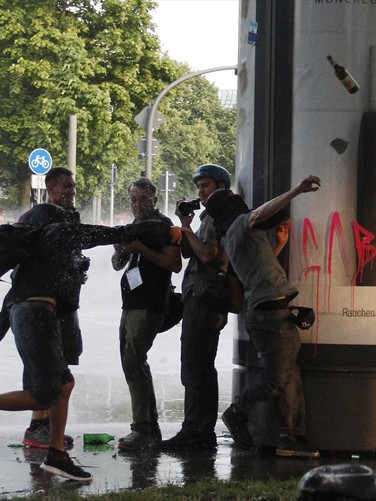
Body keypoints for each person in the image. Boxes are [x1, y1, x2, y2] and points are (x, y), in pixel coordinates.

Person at [0, 203, 175, 481]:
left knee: (64, 383)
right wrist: (159, 230)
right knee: (46, 394)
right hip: (37, 317)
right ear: (54, 222)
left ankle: (56, 455)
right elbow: (107, 234)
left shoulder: (32, 259)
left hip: (28, 317)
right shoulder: (56, 233)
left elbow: (3, 314)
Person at [204, 175, 322, 458]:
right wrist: (297, 190)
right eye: (233, 199)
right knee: (276, 380)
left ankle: (292, 439)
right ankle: (236, 413)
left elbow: (257, 263)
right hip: (269, 315)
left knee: (289, 377)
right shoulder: (241, 224)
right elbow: (260, 213)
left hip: (274, 312)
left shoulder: (233, 236)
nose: (239, 201)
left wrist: (279, 245)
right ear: (231, 208)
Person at [160, 164, 233, 450]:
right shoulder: (207, 218)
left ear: (221, 187)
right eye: (198, 186)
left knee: (196, 366)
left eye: (206, 185)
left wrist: (187, 228)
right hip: (200, 296)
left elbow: (209, 255)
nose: (200, 191)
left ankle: (196, 431)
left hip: (206, 297)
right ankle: (200, 430)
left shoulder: (216, 217)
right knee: (199, 366)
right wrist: (185, 223)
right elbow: (191, 251)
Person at [111, 177, 181, 450]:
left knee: (133, 361)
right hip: (130, 303)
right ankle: (149, 427)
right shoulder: (133, 228)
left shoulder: (162, 227)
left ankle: (143, 429)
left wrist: (143, 249)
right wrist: (120, 253)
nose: (137, 204)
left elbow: (174, 263)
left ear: (154, 199)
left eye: (142, 199)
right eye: (132, 199)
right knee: (134, 363)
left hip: (149, 303)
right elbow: (119, 265)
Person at [21, 167, 85, 449]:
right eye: (65, 187)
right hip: (47, 303)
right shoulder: (39, 217)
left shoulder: (72, 216)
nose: (70, 192)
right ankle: (38, 427)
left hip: (66, 302)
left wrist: (77, 269)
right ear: (50, 188)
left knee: (63, 361)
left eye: (72, 187)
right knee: (49, 367)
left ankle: (49, 428)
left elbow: (73, 252)